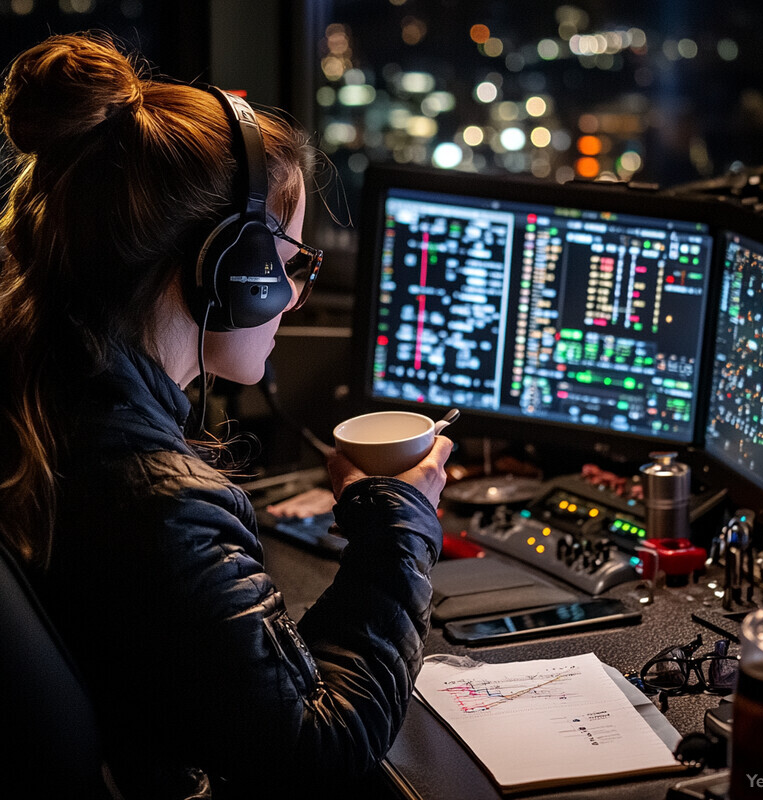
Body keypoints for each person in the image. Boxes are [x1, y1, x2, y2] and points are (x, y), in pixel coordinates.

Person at [0, 32, 453, 799]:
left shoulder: (44, 403)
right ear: (229, 267)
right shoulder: (155, 502)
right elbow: (321, 746)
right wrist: (402, 522)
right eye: (295, 262)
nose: (300, 293)